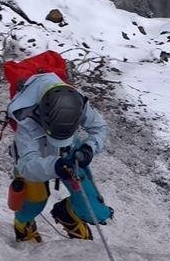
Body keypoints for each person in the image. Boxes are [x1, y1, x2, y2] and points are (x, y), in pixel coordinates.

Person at [7, 72, 113, 242]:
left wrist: (89, 149)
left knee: (93, 209)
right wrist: (55, 166)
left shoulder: (78, 102)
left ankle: (67, 214)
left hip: (70, 151)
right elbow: (27, 165)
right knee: (34, 202)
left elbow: (99, 127)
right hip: (36, 158)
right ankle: (23, 224)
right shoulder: (23, 117)